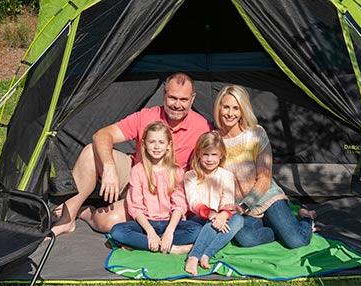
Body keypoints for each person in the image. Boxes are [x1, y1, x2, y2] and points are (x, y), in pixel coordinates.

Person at [51, 72, 212, 236]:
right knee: (91, 152)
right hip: (135, 177)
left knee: (108, 223)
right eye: (172, 98)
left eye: (183, 100)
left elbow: (209, 166)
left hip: (166, 193)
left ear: (192, 99)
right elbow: (102, 135)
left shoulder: (202, 127)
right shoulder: (146, 116)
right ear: (164, 94)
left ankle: (85, 212)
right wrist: (109, 167)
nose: (177, 104)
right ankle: (66, 220)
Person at [213, 85, 316, 249]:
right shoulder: (214, 139)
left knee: (296, 241)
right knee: (245, 239)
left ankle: (306, 218)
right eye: (226, 107)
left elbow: (265, 178)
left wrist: (244, 206)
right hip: (239, 206)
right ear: (219, 108)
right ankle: (279, 228)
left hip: (265, 198)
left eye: (236, 108)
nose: (230, 113)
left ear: (242, 111)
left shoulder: (256, 133)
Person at [109, 121, 201, 254]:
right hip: (146, 224)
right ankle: (171, 248)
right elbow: (135, 207)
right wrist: (150, 232)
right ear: (144, 144)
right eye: (152, 142)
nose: (156, 147)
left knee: (196, 230)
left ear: (168, 145)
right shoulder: (138, 171)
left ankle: (143, 243)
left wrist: (169, 232)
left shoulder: (176, 171)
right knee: (117, 231)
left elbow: (179, 205)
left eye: (161, 142)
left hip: (170, 223)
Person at [184, 131, 243, 276]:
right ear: (198, 154)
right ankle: (193, 257)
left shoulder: (226, 176)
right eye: (206, 154)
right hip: (198, 217)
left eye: (214, 155)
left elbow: (228, 200)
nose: (210, 159)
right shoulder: (190, 176)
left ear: (221, 155)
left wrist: (223, 214)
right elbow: (193, 202)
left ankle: (206, 254)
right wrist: (212, 214)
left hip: (220, 218)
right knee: (211, 224)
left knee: (239, 219)